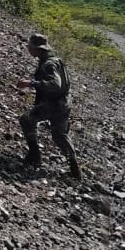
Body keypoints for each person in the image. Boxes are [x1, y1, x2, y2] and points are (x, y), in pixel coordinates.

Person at [16, 33, 80, 178]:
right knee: (59, 135)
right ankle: (75, 170)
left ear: (37, 49)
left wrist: (31, 83)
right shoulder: (54, 60)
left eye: (30, 46)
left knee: (26, 120)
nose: (28, 49)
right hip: (64, 103)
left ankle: (34, 154)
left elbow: (55, 85)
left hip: (54, 104)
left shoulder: (48, 64)